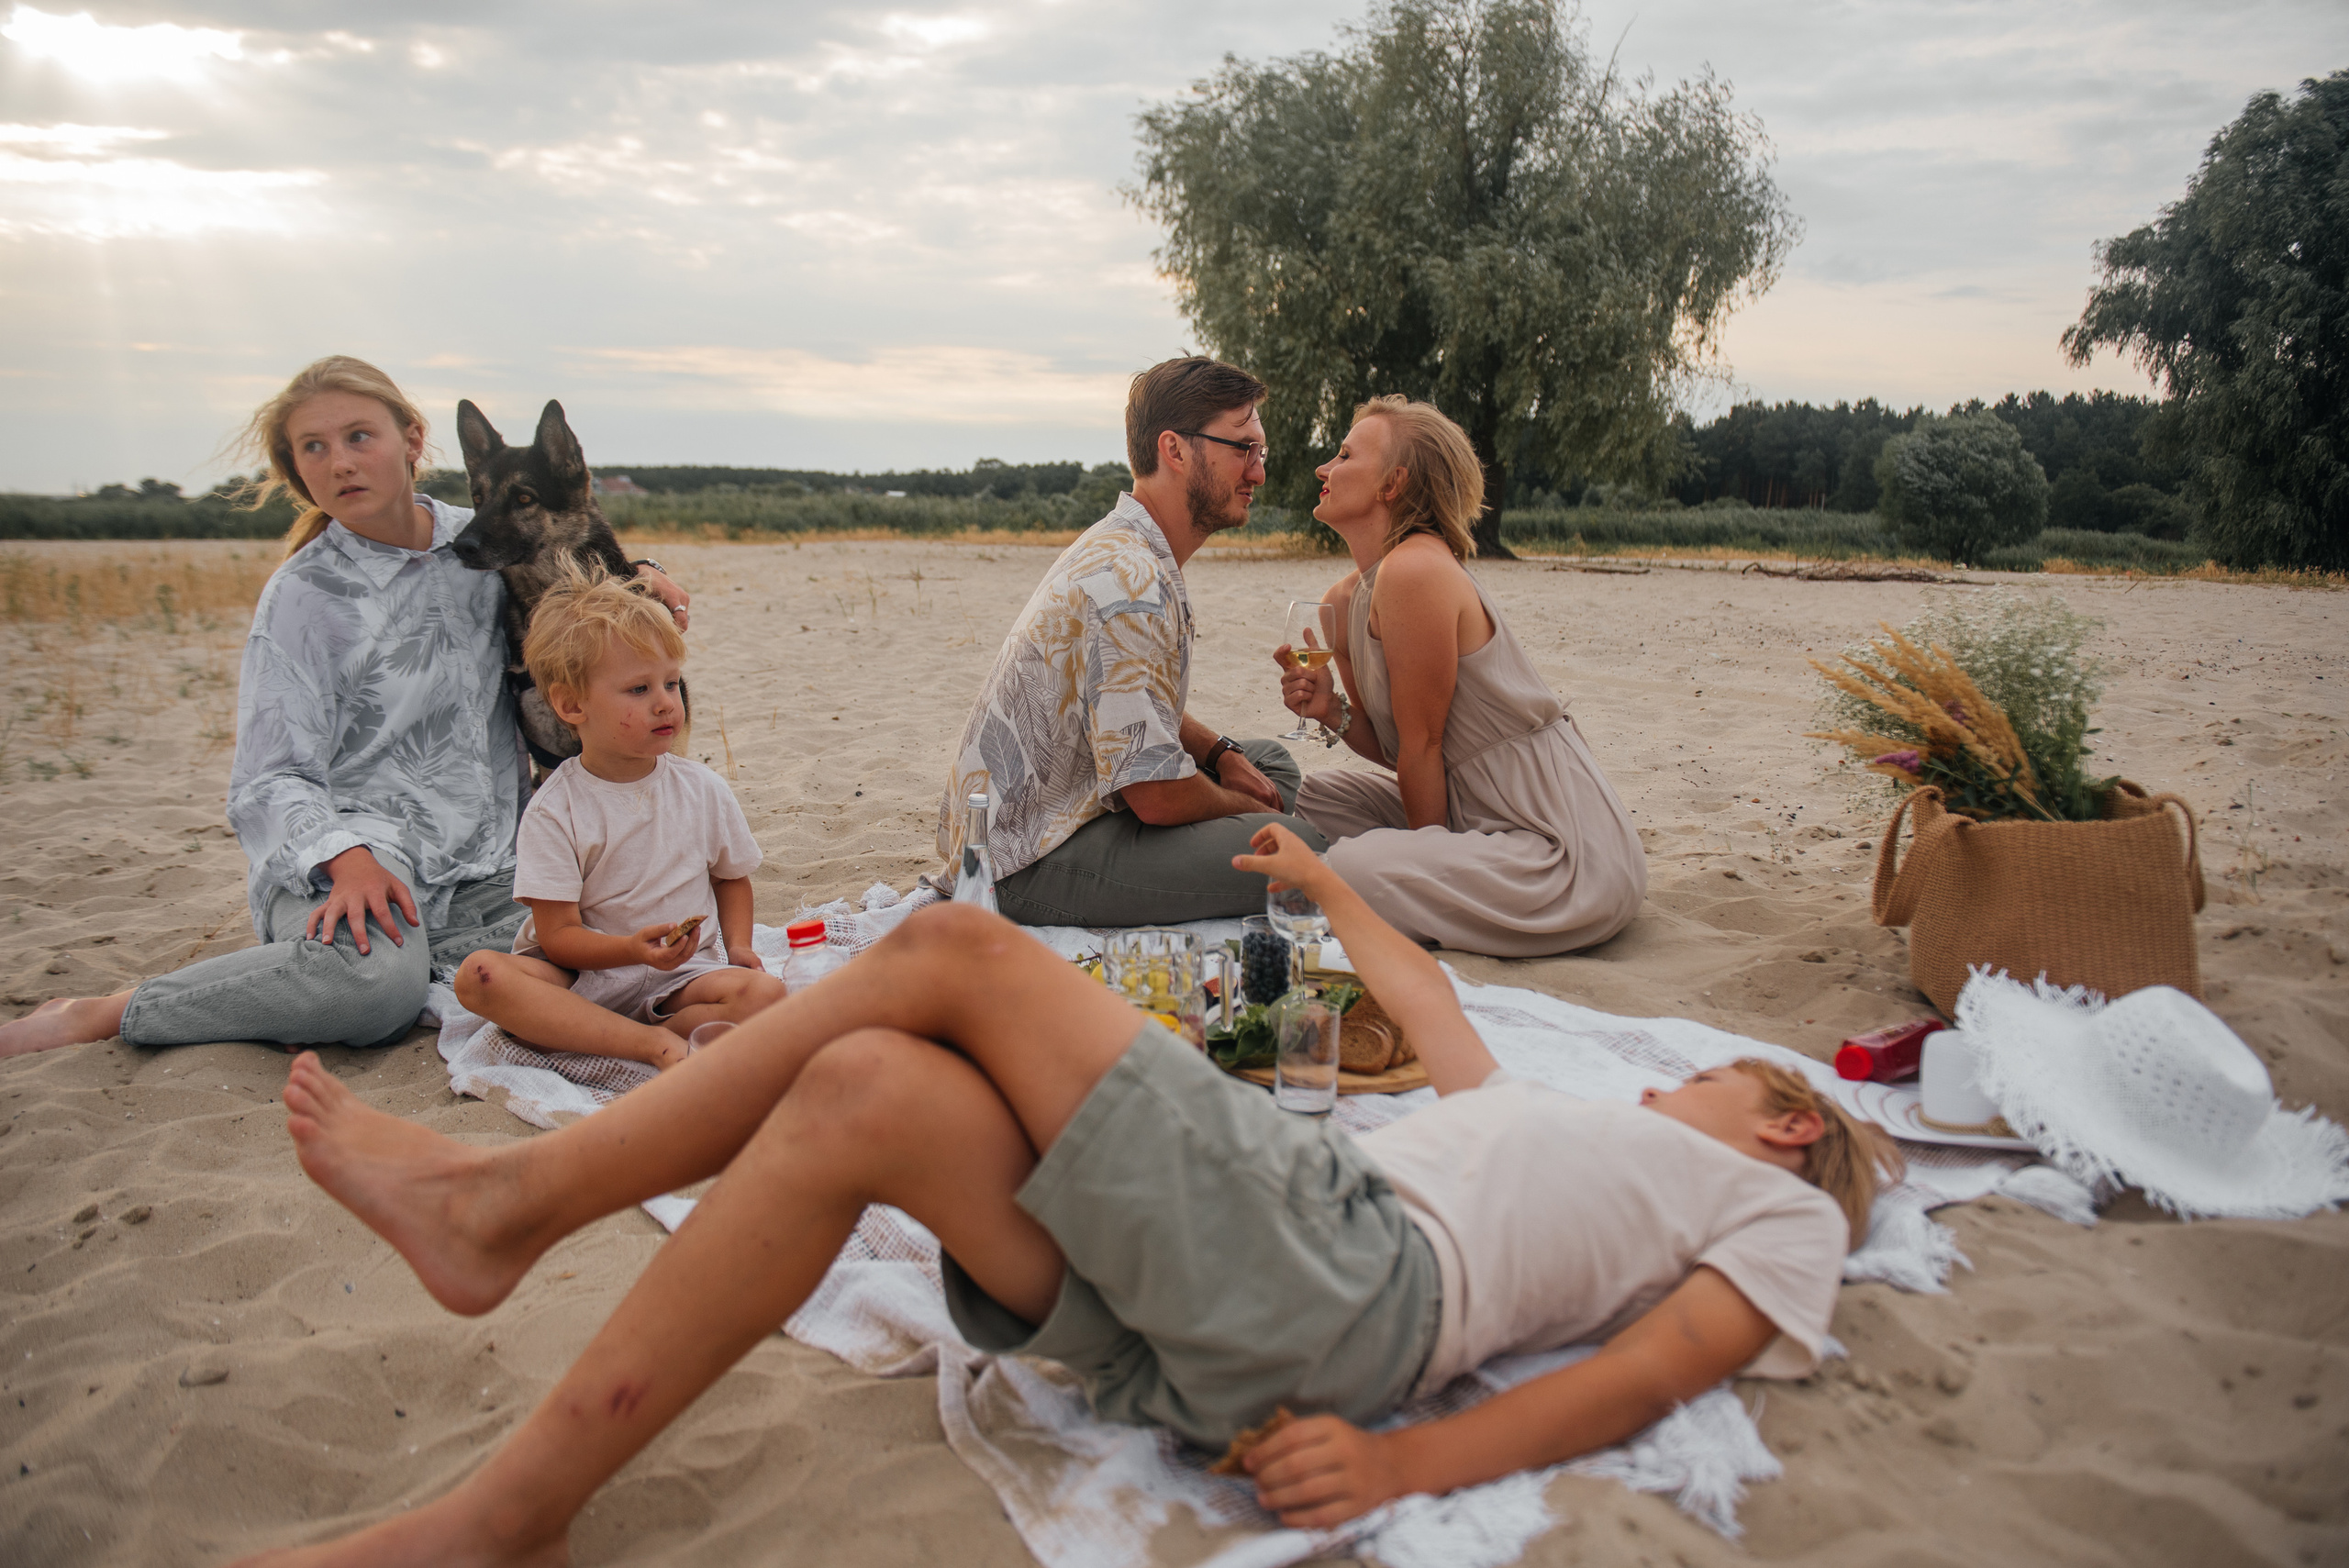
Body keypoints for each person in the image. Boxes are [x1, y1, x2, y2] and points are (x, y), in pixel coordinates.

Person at [250, 824, 1898, 1564]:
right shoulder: (1546, 1129)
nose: (1670, 1083)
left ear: (1776, 1128)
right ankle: (510, 1514)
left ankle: (510, 1202)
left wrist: (1410, 1459)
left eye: (1719, 1077)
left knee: (955, 950)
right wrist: (1326, 883)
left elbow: (1652, 1369)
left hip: (1340, 1266)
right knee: (861, 1087)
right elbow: (1447, 1013)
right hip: (1253, 1299)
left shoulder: (1778, 1206)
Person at [0, 356, 688, 1060]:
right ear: (298, 469)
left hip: (491, 868)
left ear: (413, 441)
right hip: (352, 863)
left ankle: (428, 960)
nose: (341, 464)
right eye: (315, 448)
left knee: (628, 945)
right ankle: (111, 1010)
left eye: (360, 436)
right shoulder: (302, 599)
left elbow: (582, 576)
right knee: (374, 989)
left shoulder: (480, 548)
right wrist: (349, 860)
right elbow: (267, 780)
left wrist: (646, 577)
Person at [936, 355, 1328, 925]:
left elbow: (1131, 706)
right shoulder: (1129, 580)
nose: (1258, 473)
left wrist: (1220, 755)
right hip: (1019, 862)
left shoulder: (1127, 545)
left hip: (1071, 808)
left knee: (1268, 764)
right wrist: (1234, 803)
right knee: (1303, 851)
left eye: (1260, 452)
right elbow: (1158, 795)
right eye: (1242, 449)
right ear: (1174, 449)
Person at [1276, 395, 1646, 956]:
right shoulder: (1344, 600)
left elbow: (1424, 746)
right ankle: (1430, 872)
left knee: (1353, 867)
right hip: (1465, 806)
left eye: (1345, 454)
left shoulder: (1416, 569)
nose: (1323, 468)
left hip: (1554, 839)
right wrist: (1333, 712)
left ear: (1392, 483)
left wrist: (1428, 857)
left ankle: (1422, 877)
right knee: (1300, 797)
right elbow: (1394, 747)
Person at [451, 577, 782, 1072]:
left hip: (680, 978)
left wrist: (737, 947)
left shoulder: (702, 788)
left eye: (671, 683)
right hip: (580, 979)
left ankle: (625, 1035)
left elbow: (730, 877)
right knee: (477, 976)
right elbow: (558, 934)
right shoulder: (555, 809)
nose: (666, 702)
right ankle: (651, 1045)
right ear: (571, 705)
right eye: (638, 688)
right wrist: (630, 950)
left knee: (765, 995)